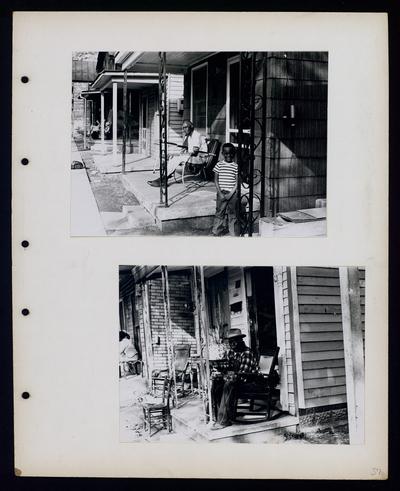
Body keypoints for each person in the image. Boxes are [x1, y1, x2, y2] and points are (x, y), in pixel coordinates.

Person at [211, 328, 258, 429]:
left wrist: (227, 376)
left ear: (240, 340)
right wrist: (218, 368)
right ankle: (222, 416)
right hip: (237, 380)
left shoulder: (247, 353)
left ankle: (223, 421)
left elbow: (243, 374)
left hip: (250, 383)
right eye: (230, 341)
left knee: (229, 384)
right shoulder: (231, 353)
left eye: (234, 341)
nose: (231, 344)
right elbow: (228, 367)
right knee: (217, 383)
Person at [147, 120, 206, 187]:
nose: (184, 130)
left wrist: (181, 154)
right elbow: (185, 150)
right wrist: (174, 154)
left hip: (199, 157)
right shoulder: (189, 136)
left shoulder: (196, 135)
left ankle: (163, 179)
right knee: (173, 157)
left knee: (176, 159)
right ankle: (164, 179)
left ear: (191, 127)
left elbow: (195, 151)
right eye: (183, 128)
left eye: (185, 127)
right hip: (192, 156)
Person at [211, 143, 240, 237]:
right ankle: (216, 231)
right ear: (223, 153)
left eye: (231, 153)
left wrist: (231, 193)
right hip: (221, 193)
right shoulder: (219, 165)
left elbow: (237, 182)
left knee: (233, 214)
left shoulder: (235, 166)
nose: (229, 155)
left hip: (232, 194)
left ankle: (233, 233)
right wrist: (220, 193)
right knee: (219, 212)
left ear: (234, 154)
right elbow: (215, 180)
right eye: (226, 153)